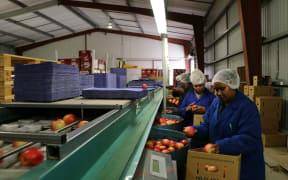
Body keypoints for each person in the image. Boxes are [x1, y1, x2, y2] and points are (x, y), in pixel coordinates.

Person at [184, 69, 265, 180]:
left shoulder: (247, 107)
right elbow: (207, 125)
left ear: (233, 85)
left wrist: (220, 146)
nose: (218, 93)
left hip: (245, 165)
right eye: (216, 89)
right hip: (223, 163)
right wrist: (195, 130)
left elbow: (249, 138)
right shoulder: (216, 103)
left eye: (222, 89)